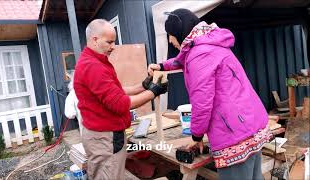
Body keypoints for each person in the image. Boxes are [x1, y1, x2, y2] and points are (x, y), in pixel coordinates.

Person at [148, 9, 270, 180]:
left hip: (233, 134)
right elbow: (182, 59)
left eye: (170, 34)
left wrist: (196, 135)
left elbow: (202, 103)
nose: (169, 40)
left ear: (179, 31)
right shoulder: (207, 43)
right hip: (249, 123)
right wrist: (161, 66)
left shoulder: (199, 54)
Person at [74, 19, 167, 180]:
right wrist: (153, 92)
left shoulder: (96, 62)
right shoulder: (93, 66)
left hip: (102, 135)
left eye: (114, 42)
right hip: (104, 138)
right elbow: (120, 104)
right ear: (95, 39)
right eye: (109, 42)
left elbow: (116, 92)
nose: (113, 46)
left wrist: (144, 86)